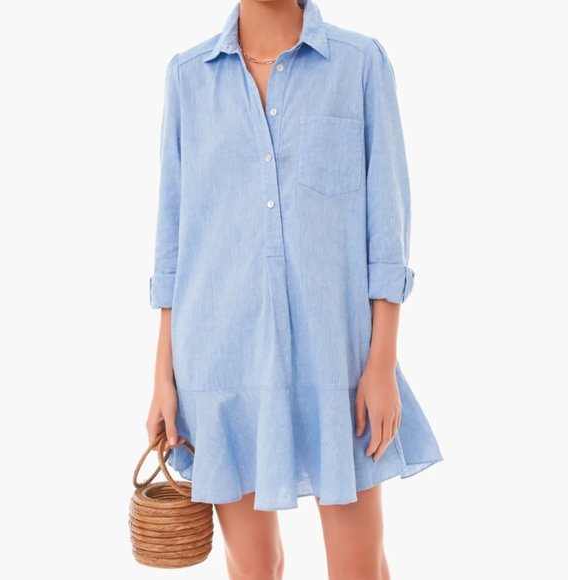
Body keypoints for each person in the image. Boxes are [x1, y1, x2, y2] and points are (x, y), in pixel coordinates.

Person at [146, 0, 443, 578]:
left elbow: (387, 228)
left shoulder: (359, 63)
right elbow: (173, 241)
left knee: (359, 567)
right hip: (219, 363)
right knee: (252, 566)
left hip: (338, 361)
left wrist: (381, 364)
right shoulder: (187, 76)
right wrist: (163, 376)